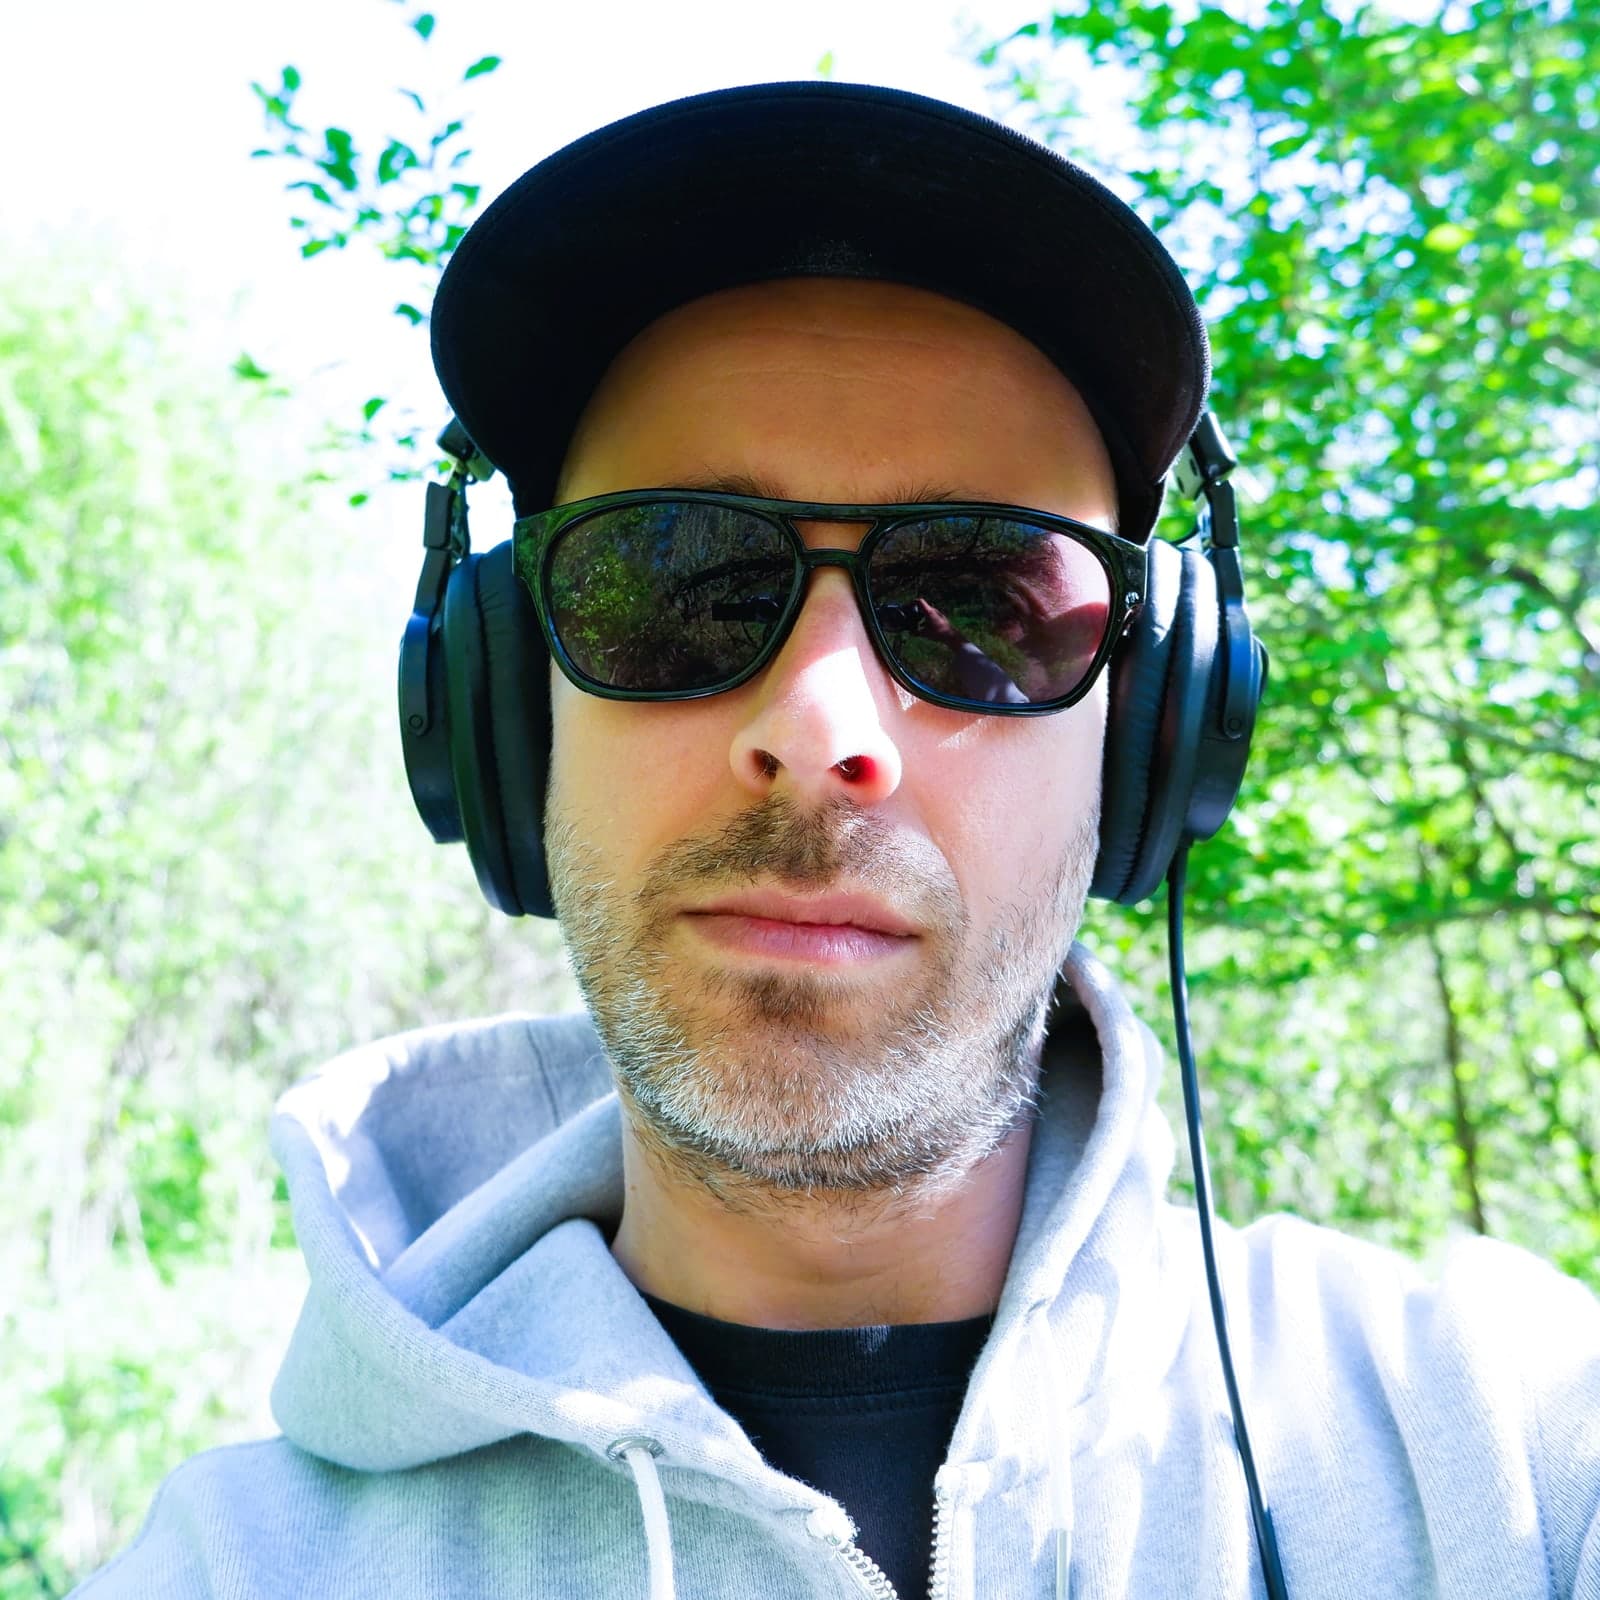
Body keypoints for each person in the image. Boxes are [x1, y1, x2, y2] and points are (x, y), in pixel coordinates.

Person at [76, 82, 1600, 1600]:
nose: (818, 725)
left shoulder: (1507, 1451)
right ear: (503, 709)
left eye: (989, 606)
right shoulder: (230, 1567)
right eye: (674, 584)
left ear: (1146, 744)